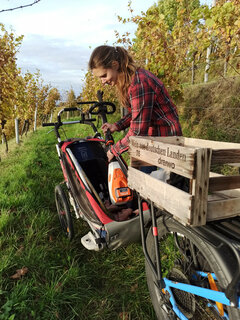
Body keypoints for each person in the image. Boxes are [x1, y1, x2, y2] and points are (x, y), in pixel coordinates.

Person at [88, 45, 182, 165]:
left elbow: (137, 132)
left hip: (166, 140)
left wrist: (113, 151)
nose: (103, 81)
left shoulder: (139, 83)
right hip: (150, 139)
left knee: (162, 181)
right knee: (140, 179)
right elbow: (137, 113)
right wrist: (116, 126)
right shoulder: (131, 81)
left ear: (115, 65)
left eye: (104, 75)